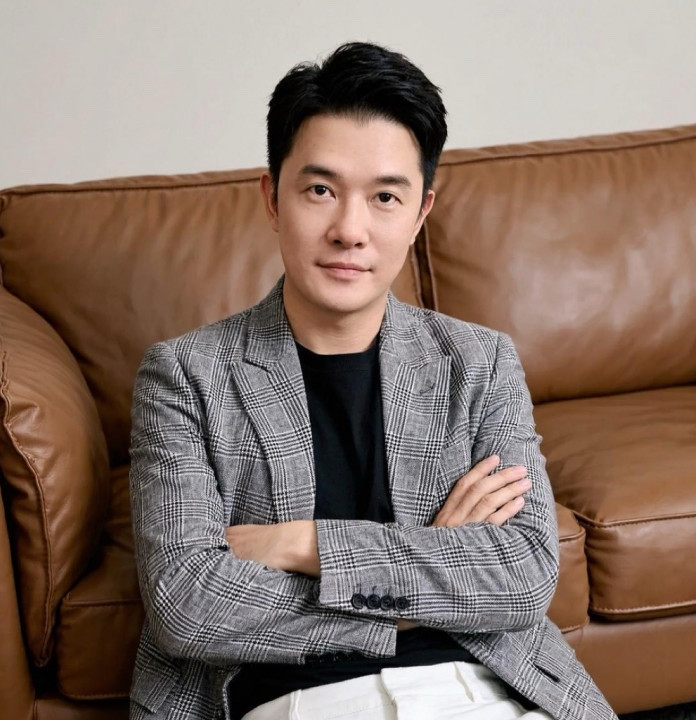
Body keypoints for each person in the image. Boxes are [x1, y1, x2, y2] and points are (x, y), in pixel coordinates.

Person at [129, 42, 616, 720]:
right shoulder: (185, 375)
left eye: (385, 197)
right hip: (298, 698)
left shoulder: (480, 362)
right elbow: (188, 606)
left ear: (420, 214)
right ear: (272, 199)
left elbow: (522, 577)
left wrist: (304, 544)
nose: (349, 230)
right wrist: (428, 578)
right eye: (320, 191)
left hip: (484, 686)